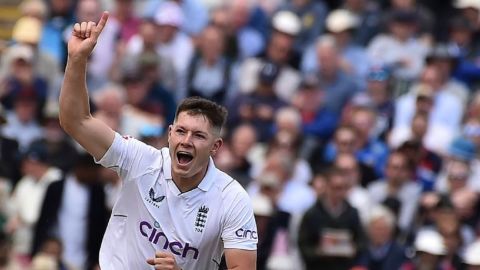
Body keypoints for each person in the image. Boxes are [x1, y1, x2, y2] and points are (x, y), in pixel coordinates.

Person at [58, 12, 257, 270]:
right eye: (181, 131)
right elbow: (76, 121)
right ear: (170, 133)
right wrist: (77, 59)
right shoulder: (142, 160)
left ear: (216, 147)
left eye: (198, 135)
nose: (186, 141)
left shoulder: (232, 199)